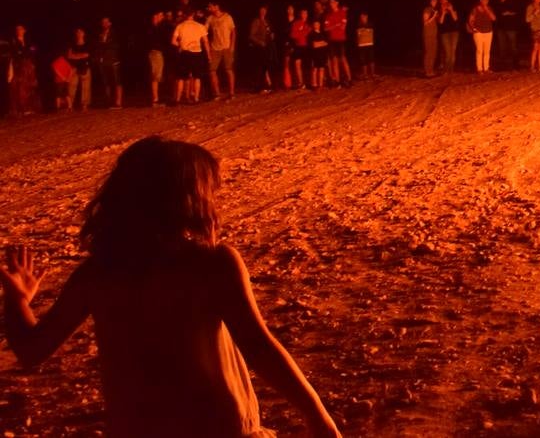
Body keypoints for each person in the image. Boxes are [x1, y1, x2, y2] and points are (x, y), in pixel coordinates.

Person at [0, 136, 341, 437]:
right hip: (215, 426)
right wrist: (316, 414)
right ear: (188, 199)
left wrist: (16, 300)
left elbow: (31, 349)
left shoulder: (99, 273)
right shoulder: (212, 263)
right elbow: (258, 347)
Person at [172, 11, 210, 104]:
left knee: (181, 77)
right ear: (193, 15)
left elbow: (173, 41)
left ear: (185, 16)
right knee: (197, 77)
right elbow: (205, 42)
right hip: (197, 53)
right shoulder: (200, 26)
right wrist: (209, 55)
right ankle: (196, 98)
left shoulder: (180, 26)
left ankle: (178, 99)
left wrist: (180, 45)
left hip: (184, 53)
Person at [205, 3, 237, 100]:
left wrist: (232, 45)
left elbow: (233, 32)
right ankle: (217, 93)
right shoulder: (210, 18)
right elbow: (204, 31)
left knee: (229, 70)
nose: (209, 8)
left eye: (211, 6)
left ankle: (231, 92)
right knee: (212, 71)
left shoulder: (227, 17)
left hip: (226, 47)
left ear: (217, 7)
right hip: (215, 47)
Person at [7, 25, 41, 116]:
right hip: (18, 66)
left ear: (24, 30)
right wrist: (24, 52)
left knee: (30, 86)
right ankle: (20, 109)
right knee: (19, 87)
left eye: (21, 29)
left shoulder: (28, 41)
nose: (19, 31)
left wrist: (27, 51)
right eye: (17, 29)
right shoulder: (13, 41)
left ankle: (30, 108)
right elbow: (15, 53)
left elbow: (34, 49)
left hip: (29, 65)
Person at [91, 17, 124, 109]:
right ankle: (109, 102)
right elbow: (96, 47)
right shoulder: (99, 35)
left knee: (117, 81)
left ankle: (118, 102)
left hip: (113, 60)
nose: (104, 24)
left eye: (106, 22)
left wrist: (104, 44)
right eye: (103, 22)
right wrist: (98, 58)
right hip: (103, 61)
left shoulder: (115, 34)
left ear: (110, 23)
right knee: (106, 82)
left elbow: (116, 45)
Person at [323, 0, 351, 88]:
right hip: (332, 40)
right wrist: (336, 25)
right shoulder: (328, 15)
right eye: (330, 2)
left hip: (341, 39)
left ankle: (349, 79)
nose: (331, 4)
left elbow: (343, 27)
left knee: (343, 58)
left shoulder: (342, 12)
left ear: (337, 3)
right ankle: (337, 81)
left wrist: (333, 26)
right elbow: (325, 29)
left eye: (333, 2)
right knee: (334, 60)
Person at [146, 12, 173, 107]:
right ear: (156, 16)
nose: (163, 17)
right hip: (155, 52)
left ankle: (157, 98)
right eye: (161, 15)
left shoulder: (158, 28)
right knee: (156, 76)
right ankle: (155, 100)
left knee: (158, 76)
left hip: (158, 53)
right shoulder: (152, 29)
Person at [247, 6, 276, 92]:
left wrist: (271, 36)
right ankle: (260, 86)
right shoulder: (256, 21)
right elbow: (251, 35)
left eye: (264, 10)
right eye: (261, 10)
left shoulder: (267, 21)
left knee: (266, 66)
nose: (263, 12)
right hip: (259, 47)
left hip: (267, 47)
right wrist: (260, 42)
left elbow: (269, 32)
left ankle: (268, 85)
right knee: (260, 67)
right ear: (259, 11)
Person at [491, 0, 520, 71]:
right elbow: (495, 16)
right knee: (502, 47)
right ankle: (504, 66)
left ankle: (515, 65)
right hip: (501, 28)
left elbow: (516, 12)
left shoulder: (511, 2)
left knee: (513, 47)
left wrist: (509, 13)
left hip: (510, 28)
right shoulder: (497, 4)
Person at [64, 28, 92, 111]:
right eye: (77, 32)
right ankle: (70, 105)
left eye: (81, 32)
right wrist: (80, 56)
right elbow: (69, 55)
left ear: (84, 34)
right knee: (71, 86)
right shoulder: (72, 44)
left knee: (85, 87)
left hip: (85, 67)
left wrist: (75, 56)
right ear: (76, 34)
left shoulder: (87, 44)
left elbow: (87, 54)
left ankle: (84, 105)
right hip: (74, 68)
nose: (79, 34)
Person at [468, 0, 495, 75]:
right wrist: (474, 29)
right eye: (485, 0)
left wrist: (487, 10)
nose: (486, 2)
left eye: (487, 0)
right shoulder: (475, 9)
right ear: (481, 0)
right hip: (479, 32)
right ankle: (479, 69)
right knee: (480, 50)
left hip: (488, 31)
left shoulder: (489, 8)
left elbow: (493, 18)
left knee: (487, 51)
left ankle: (486, 68)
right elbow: (471, 20)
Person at [437, 0, 459, 74]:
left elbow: (455, 19)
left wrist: (451, 10)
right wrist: (443, 13)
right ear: (440, 1)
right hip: (444, 33)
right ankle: (446, 69)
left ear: (447, 0)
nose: (444, 1)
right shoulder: (439, 10)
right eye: (442, 0)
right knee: (447, 52)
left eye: (445, 0)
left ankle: (451, 69)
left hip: (454, 32)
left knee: (453, 51)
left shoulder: (452, 7)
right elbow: (440, 22)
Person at [289, 9, 311, 90]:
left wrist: (300, 33)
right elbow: (293, 35)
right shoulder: (296, 23)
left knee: (308, 65)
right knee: (297, 64)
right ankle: (301, 82)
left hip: (307, 46)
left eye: (306, 13)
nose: (304, 15)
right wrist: (302, 33)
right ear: (300, 14)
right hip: (298, 46)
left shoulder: (309, 24)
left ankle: (310, 82)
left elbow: (310, 33)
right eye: (303, 13)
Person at [420, 0, 439, 79]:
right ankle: (427, 72)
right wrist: (434, 16)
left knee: (433, 52)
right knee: (428, 52)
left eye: (436, 1)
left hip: (434, 34)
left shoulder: (433, 10)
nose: (435, 2)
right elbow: (425, 22)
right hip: (428, 34)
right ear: (430, 1)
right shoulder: (427, 9)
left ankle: (431, 71)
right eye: (433, 1)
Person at [307, 20, 329, 90]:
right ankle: (314, 85)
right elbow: (314, 45)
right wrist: (322, 43)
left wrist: (319, 43)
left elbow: (326, 43)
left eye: (317, 24)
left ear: (319, 25)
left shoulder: (323, 33)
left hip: (322, 54)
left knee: (322, 69)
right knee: (315, 69)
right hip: (315, 54)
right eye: (315, 24)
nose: (316, 25)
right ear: (313, 25)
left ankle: (320, 85)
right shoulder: (311, 34)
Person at [354, 13, 375, 79]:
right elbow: (357, 35)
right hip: (361, 45)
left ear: (366, 17)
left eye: (364, 17)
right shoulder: (358, 25)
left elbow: (371, 33)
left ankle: (372, 74)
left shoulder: (370, 24)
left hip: (369, 44)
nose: (362, 18)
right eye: (361, 17)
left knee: (371, 59)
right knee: (363, 60)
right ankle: (365, 74)